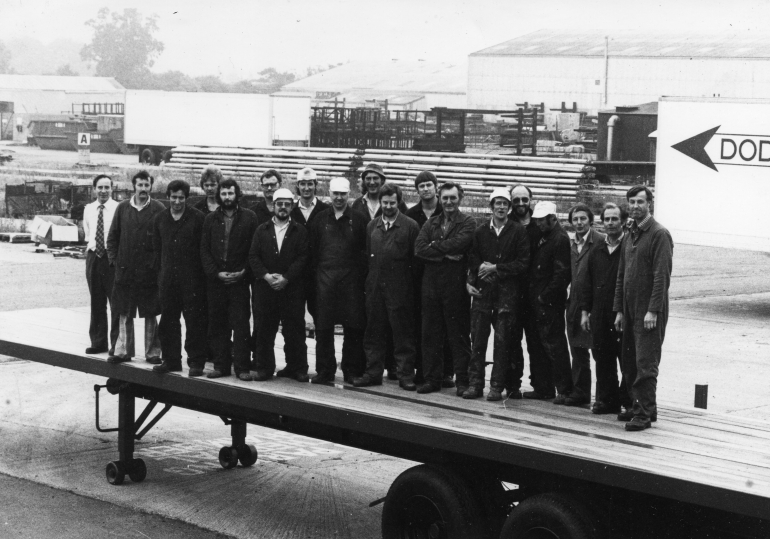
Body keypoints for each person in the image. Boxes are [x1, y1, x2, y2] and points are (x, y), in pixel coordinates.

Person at [614, 186, 673, 431]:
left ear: (649, 203)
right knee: (630, 360)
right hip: (629, 310)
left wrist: (653, 310)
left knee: (645, 363)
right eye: (632, 202)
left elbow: (662, 277)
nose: (635, 206)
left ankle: (642, 415)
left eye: (640, 202)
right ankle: (646, 407)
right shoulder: (630, 232)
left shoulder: (659, 234)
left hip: (649, 312)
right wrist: (619, 310)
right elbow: (621, 275)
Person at [465, 188, 530, 400]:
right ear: (491, 206)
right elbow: (472, 257)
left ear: (509, 208)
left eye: (505, 204)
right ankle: (475, 384)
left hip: (506, 295)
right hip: (484, 291)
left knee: (503, 342)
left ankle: (496, 386)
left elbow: (522, 263)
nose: (501, 207)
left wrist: (497, 269)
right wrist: (477, 273)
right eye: (497, 203)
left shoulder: (518, 231)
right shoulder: (481, 230)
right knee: (478, 341)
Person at [354, 183, 420, 391]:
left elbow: (415, 260)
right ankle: (373, 373)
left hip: (400, 288)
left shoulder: (410, 226)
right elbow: (367, 255)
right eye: (385, 202)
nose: (389, 206)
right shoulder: (372, 226)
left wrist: (408, 288)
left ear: (399, 202)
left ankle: (405, 375)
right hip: (375, 288)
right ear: (380, 202)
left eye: (392, 202)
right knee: (373, 332)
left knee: (403, 334)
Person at [414, 182, 476, 395]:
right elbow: (419, 248)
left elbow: (461, 243)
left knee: (458, 336)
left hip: (455, 287)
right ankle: (433, 380)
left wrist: (435, 248)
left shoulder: (468, 222)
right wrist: (445, 255)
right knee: (430, 335)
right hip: (431, 287)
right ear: (440, 199)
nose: (449, 202)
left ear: (461, 198)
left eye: (453, 198)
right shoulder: (432, 222)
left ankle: (463, 382)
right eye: (445, 198)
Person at [308, 177, 368, 384]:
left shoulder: (360, 220)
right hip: (325, 281)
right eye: (336, 194)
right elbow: (313, 253)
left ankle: (351, 370)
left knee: (353, 328)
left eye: (343, 194)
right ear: (330, 194)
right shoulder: (320, 219)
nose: (339, 198)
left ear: (349, 194)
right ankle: (325, 371)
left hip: (351, 283)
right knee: (323, 329)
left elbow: (364, 253)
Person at [249, 188, 310, 382]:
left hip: (291, 289)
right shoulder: (262, 229)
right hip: (265, 289)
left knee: (295, 330)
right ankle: (264, 368)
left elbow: (303, 257)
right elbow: (253, 256)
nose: (283, 207)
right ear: (273, 206)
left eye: (286, 204)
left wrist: (286, 278)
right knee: (265, 330)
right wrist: (266, 276)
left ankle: (297, 368)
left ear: (292, 206)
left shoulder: (300, 230)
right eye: (279, 204)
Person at [200, 178, 259, 381]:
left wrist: (244, 272)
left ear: (237, 194)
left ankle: (242, 367)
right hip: (216, 281)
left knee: (241, 324)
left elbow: (255, 250)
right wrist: (215, 273)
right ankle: (221, 366)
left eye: (230, 193)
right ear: (219, 196)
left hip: (239, 281)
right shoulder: (210, 219)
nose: (227, 197)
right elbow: (204, 250)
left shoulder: (250, 218)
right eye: (223, 194)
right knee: (217, 325)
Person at [106, 171, 164, 364]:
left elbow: (163, 240)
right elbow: (112, 237)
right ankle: (122, 351)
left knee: (150, 312)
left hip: (149, 272)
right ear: (134, 186)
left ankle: (153, 353)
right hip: (125, 271)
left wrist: (157, 264)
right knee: (124, 311)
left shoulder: (158, 208)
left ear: (151, 187)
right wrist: (114, 261)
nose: (143, 189)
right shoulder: (123, 208)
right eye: (140, 185)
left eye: (146, 185)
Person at [579, 203, 632, 415]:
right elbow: (586, 282)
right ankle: (607, 400)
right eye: (607, 219)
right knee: (603, 359)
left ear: (623, 221)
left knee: (625, 359)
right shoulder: (597, 249)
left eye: (614, 219)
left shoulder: (628, 247)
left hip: (620, 312)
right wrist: (585, 312)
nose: (610, 223)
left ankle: (628, 402)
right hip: (600, 313)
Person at [152, 180, 208, 376]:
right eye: (174, 197)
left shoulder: (198, 218)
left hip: (192, 281)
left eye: (181, 198)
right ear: (168, 197)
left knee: (194, 322)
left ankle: (196, 362)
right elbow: (156, 250)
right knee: (168, 322)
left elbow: (203, 250)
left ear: (187, 198)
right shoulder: (160, 218)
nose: (177, 201)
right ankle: (171, 360)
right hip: (168, 281)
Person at [405, 171, 454, 388]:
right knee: (422, 326)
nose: (425, 189)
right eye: (421, 186)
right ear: (417, 190)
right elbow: (416, 249)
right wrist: (440, 253)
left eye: (429, 185)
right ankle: (424, 369)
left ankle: (447, 371)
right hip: (419, 275)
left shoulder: (447, 210)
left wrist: (431, 252)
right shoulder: (412, 213)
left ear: (436, 187)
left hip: (445, 276)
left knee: (446, 324)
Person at [523, 201, 572, 403]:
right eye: (537, 220)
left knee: (554, 345)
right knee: (539, 345)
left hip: (548, 302)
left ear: (553, 218)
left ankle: (564, 389)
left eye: (543, 220)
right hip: (540, 300)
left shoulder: (559, 239)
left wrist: (545, 296)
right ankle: (544, 387)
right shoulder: (546, 236)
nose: (539, 224)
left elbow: (561, 274)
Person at [565, 203, 605, 406]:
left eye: (583, 218)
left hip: (594, 304)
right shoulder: (571, 243)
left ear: (591, 220)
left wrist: (588, 309)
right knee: (577, 349)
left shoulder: (599, 241)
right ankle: (581, 392)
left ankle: (603, 396)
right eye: (575, 219)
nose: (579, 222)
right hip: (573, 302)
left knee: (598, 350)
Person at [507, 184, 543, 399]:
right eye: (516, 199)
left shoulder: (539, 223)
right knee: (512, 340)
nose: (520, 204)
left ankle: (540, 385)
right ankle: (512, 384)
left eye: (524, 199)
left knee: (536, 341)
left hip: (535, 293)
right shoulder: (507, 223)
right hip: (512, 291)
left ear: (531, 199)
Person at [83, 174, 119, 355]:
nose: (103, 191)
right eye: (100, 187)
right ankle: (98, 342)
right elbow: (88, 234)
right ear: (94, 189)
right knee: (96, 302)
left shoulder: (119, 209)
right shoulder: (89, 209)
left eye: (107, 187)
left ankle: (116, 345)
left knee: (115, 303)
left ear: (112, 189)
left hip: (110, 258)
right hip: (93, 257)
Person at [290, 166, 330, 327]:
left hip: (318, 273)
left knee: (321, 319)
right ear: (298, 186)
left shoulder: (326, 211)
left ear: (316, 185)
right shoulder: (290, 211)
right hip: (296, 274)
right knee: (294, 319)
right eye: (303, 184)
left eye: (310, 184)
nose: (306, 188)